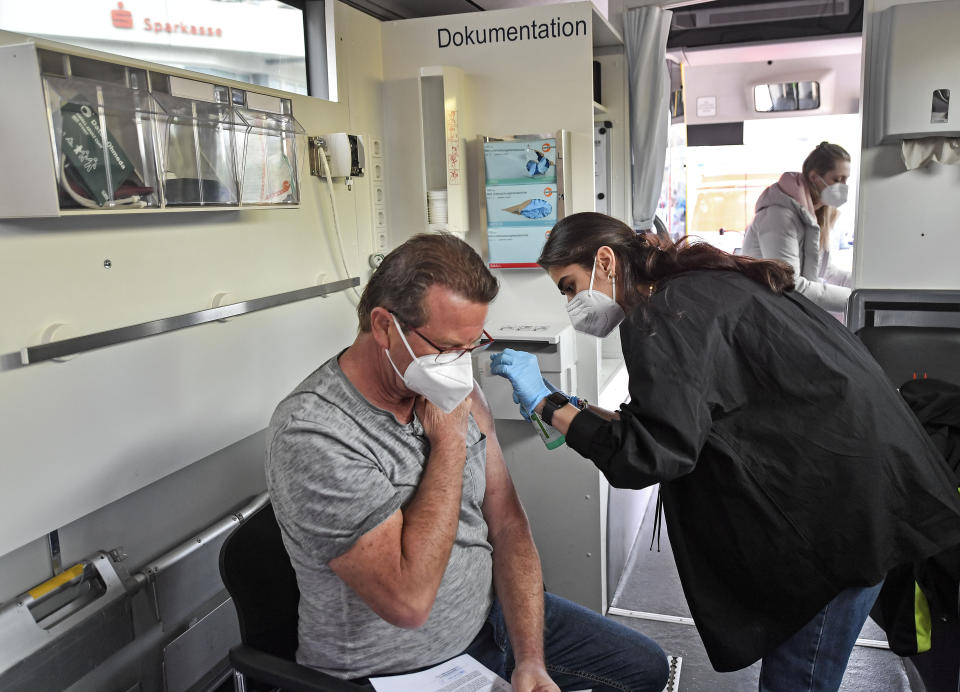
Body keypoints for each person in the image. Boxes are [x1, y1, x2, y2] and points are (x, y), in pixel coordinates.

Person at [489, 212, 960, 691]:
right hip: (861, 493)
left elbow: (649, 454)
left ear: (605, 261)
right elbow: (678, 419)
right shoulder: (699, 286)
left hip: (836, 523)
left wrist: (548, 405)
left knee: (798, 678)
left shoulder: (664, 315)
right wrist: (577, 410)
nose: (573, 304)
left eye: (569, 286)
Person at [265, 232, 669, 691]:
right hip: (398, 670)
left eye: (471, 346)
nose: (460, 366)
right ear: (383, 327)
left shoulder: (446, 379)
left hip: (490, 621)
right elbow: (409, 603)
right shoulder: (315, 432)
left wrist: (530, 659)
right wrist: (450, 441)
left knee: (644, 668)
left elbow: (508, 525)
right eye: (447, 348)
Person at [742, 141, 853, 317]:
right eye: (837, 180)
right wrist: (854, 299)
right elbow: (790, 285)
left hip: (786, 311)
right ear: (815, 177)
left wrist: (865, 286)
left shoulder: (814, 216)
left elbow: (825, 270)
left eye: (846, 180)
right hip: (765, 313)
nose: (843, 187)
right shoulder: (778, 217)